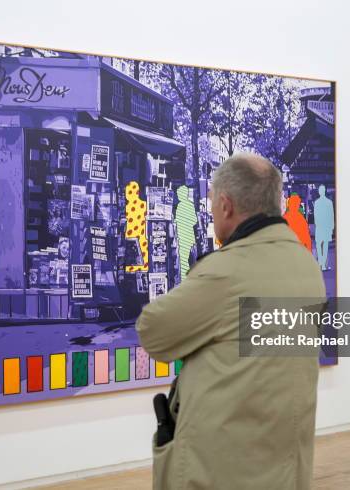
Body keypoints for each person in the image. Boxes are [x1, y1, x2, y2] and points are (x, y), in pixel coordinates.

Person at [136, 153, 326, 489]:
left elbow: (153, 332)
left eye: (211, 202)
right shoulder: (305, 264)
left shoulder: (225, 271)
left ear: (226, 205)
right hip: (282, 463)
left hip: (222, 469)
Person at [313, 185, 334, 271]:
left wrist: (316, 225)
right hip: (325, 227)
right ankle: (323, 265)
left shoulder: (317, 202)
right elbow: (331, 215)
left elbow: (315, 216)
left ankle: (320, 264)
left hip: (320, 227)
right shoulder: (329, 202)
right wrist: (331, 227)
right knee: (325, 246)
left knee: (319, 245)